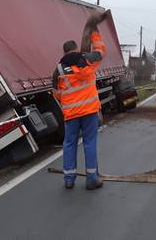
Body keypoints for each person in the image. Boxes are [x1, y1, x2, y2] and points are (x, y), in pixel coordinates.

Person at [52, 11, 107, 190]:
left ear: (64, 51)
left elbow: (57, 95)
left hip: (71, 114)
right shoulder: (87, 60)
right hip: (89, 112)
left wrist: (69, 100)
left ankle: (69, 179)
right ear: (76, 49)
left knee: (69, 144)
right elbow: (100, 51)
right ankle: (92, 178)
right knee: (89, 143)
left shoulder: (58, 70)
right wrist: (94, 31)